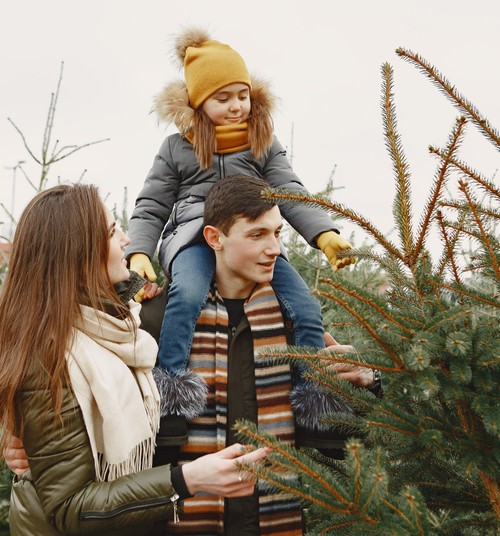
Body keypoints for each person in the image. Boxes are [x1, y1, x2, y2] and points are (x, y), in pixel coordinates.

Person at [0, 184, 270, 536]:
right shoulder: (49, 356)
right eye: (113, 232)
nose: (127, 240)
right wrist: (187, 478)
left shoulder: (116, 322)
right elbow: (68, 508)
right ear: (80, 253)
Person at [148, 174, 377, 535]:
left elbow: (343, 445)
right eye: (257, 235)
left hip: (274, 520)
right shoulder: (161, 322)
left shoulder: (296, 324)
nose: (274, 249)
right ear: (214, 238)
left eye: (277, 234)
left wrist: (367, 382)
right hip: (184, 522)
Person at [125, 27, 357, 380]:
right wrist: (139, 251)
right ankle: (171, 383)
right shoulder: (176, 148)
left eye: (242, 95)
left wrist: (324, 234)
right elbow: (152, 204)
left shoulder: (261, 141)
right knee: (186, 296)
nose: (236, 106)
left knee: (304, 305)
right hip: (194, 240)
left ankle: (313, 386)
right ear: (200, 102)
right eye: (223, 98)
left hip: (252, 240)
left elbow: (289, 189)